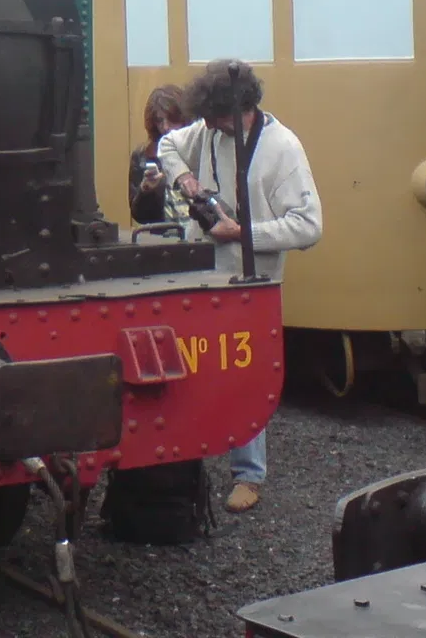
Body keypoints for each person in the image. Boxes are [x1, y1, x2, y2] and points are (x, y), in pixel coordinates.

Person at [158, 59, 322, 515]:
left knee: (244, 377)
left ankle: (248, 475)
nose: (208, 128)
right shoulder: (209, 131)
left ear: (243, 109)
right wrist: (184, 178)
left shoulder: (282, 149)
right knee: (192, 366)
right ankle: (188, 462)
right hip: (204, 274)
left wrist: (243, 233)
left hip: (252, 285)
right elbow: (170, 145)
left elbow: (309, 227)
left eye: (215, 120)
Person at [129, 84, 187, 223]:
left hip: (200, 237)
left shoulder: (199, 147)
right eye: (159, 121)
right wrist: (146, 191)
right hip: (163, 236)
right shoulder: (143, 155)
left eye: (172, 119)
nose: (166, 127)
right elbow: (140, 216)